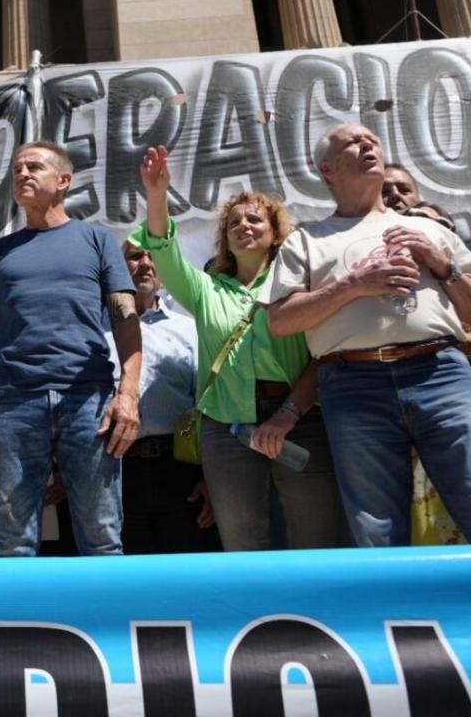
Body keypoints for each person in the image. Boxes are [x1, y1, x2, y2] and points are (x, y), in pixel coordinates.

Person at [263, 123, 471, 547]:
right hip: (354, 386)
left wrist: (441, 264)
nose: (367, 146)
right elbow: (281, 321)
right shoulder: (306, 240)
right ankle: (394, 613)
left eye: (372, 141)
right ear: (327, 169)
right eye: (353, 143)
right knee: (376, 525)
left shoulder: (431, 231)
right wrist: (353, 284)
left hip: (441, 375)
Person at [132, 146, 345, 551]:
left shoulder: (303, 286)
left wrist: (286, 415)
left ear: (276, 232)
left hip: (301, 419)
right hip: (226, 428)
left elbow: (324, 356)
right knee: (242, 544)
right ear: (225, 239)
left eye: (254, 218)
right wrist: (157, 194)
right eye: (233, 222)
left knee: (315, 540)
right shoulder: (204, 289)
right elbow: (161, 246)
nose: (243, 225)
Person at [0, 141, 141, 557]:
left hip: (88, 402)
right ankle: (17, 623)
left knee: (102, 536)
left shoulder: (97, 239)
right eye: (17, 169)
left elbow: (126, 321)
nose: (22, 174)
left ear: (63, 181)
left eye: (34, 167)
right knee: (11, 540)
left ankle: (103, 622)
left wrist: (128, 394)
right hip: (13, 403)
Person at [112, 242, 219, 553]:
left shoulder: (191, 331)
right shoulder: (95, 331)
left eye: (154, 257)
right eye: (134, 256)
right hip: (112, 471)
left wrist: (209, 478)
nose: (145, 263)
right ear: (118, 267)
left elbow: (208, 408)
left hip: (178, 470)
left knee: (184, 568)